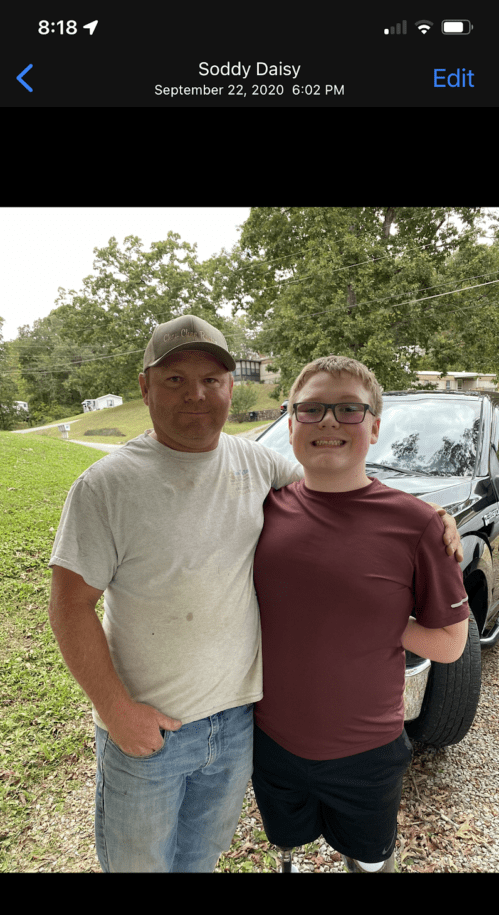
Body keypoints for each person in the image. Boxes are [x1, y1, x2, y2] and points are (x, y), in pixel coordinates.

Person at [48, 315, 463, 874]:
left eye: (212, 379)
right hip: (150, 728)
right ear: (144, 387)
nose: (196, 393)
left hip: (240, 724)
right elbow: (69, 607)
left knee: (200, 859)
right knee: (137, 868)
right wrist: (115, 710)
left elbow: (338, 475)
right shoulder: (105, 486)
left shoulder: (256, 462)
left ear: (230, 387)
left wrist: (430, 514)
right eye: (174, 379)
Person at [251, 355, 470, 873]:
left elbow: (451, 644)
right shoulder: (259, 507)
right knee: (287, 848)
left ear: (374, 425)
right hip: (270, 741)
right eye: (312, 410)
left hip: (366, 753)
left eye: (349, 409)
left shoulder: (418, 526)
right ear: (290, 424)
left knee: (370, 863)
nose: (328, 422)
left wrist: (378, 616)